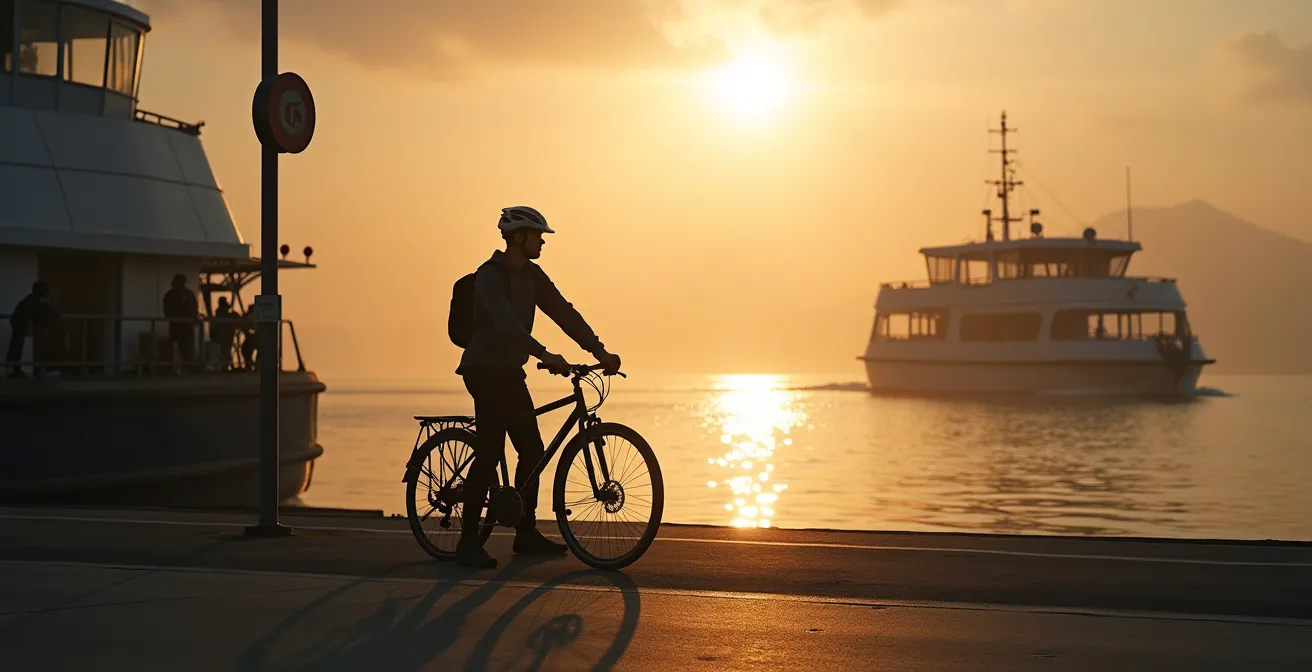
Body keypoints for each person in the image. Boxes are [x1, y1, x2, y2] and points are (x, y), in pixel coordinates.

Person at [455, 205, 622, 569]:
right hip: (483, 371)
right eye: (538, 236)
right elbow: (505, 323)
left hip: (511, 372)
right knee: (489, 450)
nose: (542, 242)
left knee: (532, 450)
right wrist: (544, 353)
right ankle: (467, 542)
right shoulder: (489, 276)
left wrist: (599, 350)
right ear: (518, 238)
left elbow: (564, 313)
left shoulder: (533, 277)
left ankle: (525, 533)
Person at [5, 281, 59, 378]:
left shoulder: (33, 299)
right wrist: (28, 327)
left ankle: (14, 369)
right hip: (19, 322)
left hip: (18, 321)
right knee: (17, 346)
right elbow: (49, 312)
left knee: (17, 345)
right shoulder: (34, 301)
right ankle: (13, 370)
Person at [162, 274, 199, 371]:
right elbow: (194, 308)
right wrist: (193, 319)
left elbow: (167, 312)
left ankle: (176, 368)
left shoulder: (169, 294)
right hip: (185, 326)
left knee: (177, 348)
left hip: (176, 326)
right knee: (187, 348)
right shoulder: (188, 293)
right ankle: (186, 368)